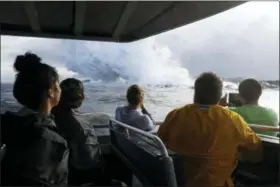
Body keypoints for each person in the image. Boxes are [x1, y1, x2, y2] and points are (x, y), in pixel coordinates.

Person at [158, 72, 263, 187]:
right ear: (219, 95)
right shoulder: (233, 119)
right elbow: (256, 154)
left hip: (178, 182)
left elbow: (159, 142)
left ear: (195, 93)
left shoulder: (176, 115)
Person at [1, 52, 69, 186]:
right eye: (58, 84)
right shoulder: (47, 139)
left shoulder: (10, 123)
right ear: (51, 91)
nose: (60, 89)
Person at [52, 78, 105, 185]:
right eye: (82, 93)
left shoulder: (50, 117)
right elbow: (88, 161)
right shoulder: (80, 126)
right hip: (76, 178)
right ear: (79, 97)